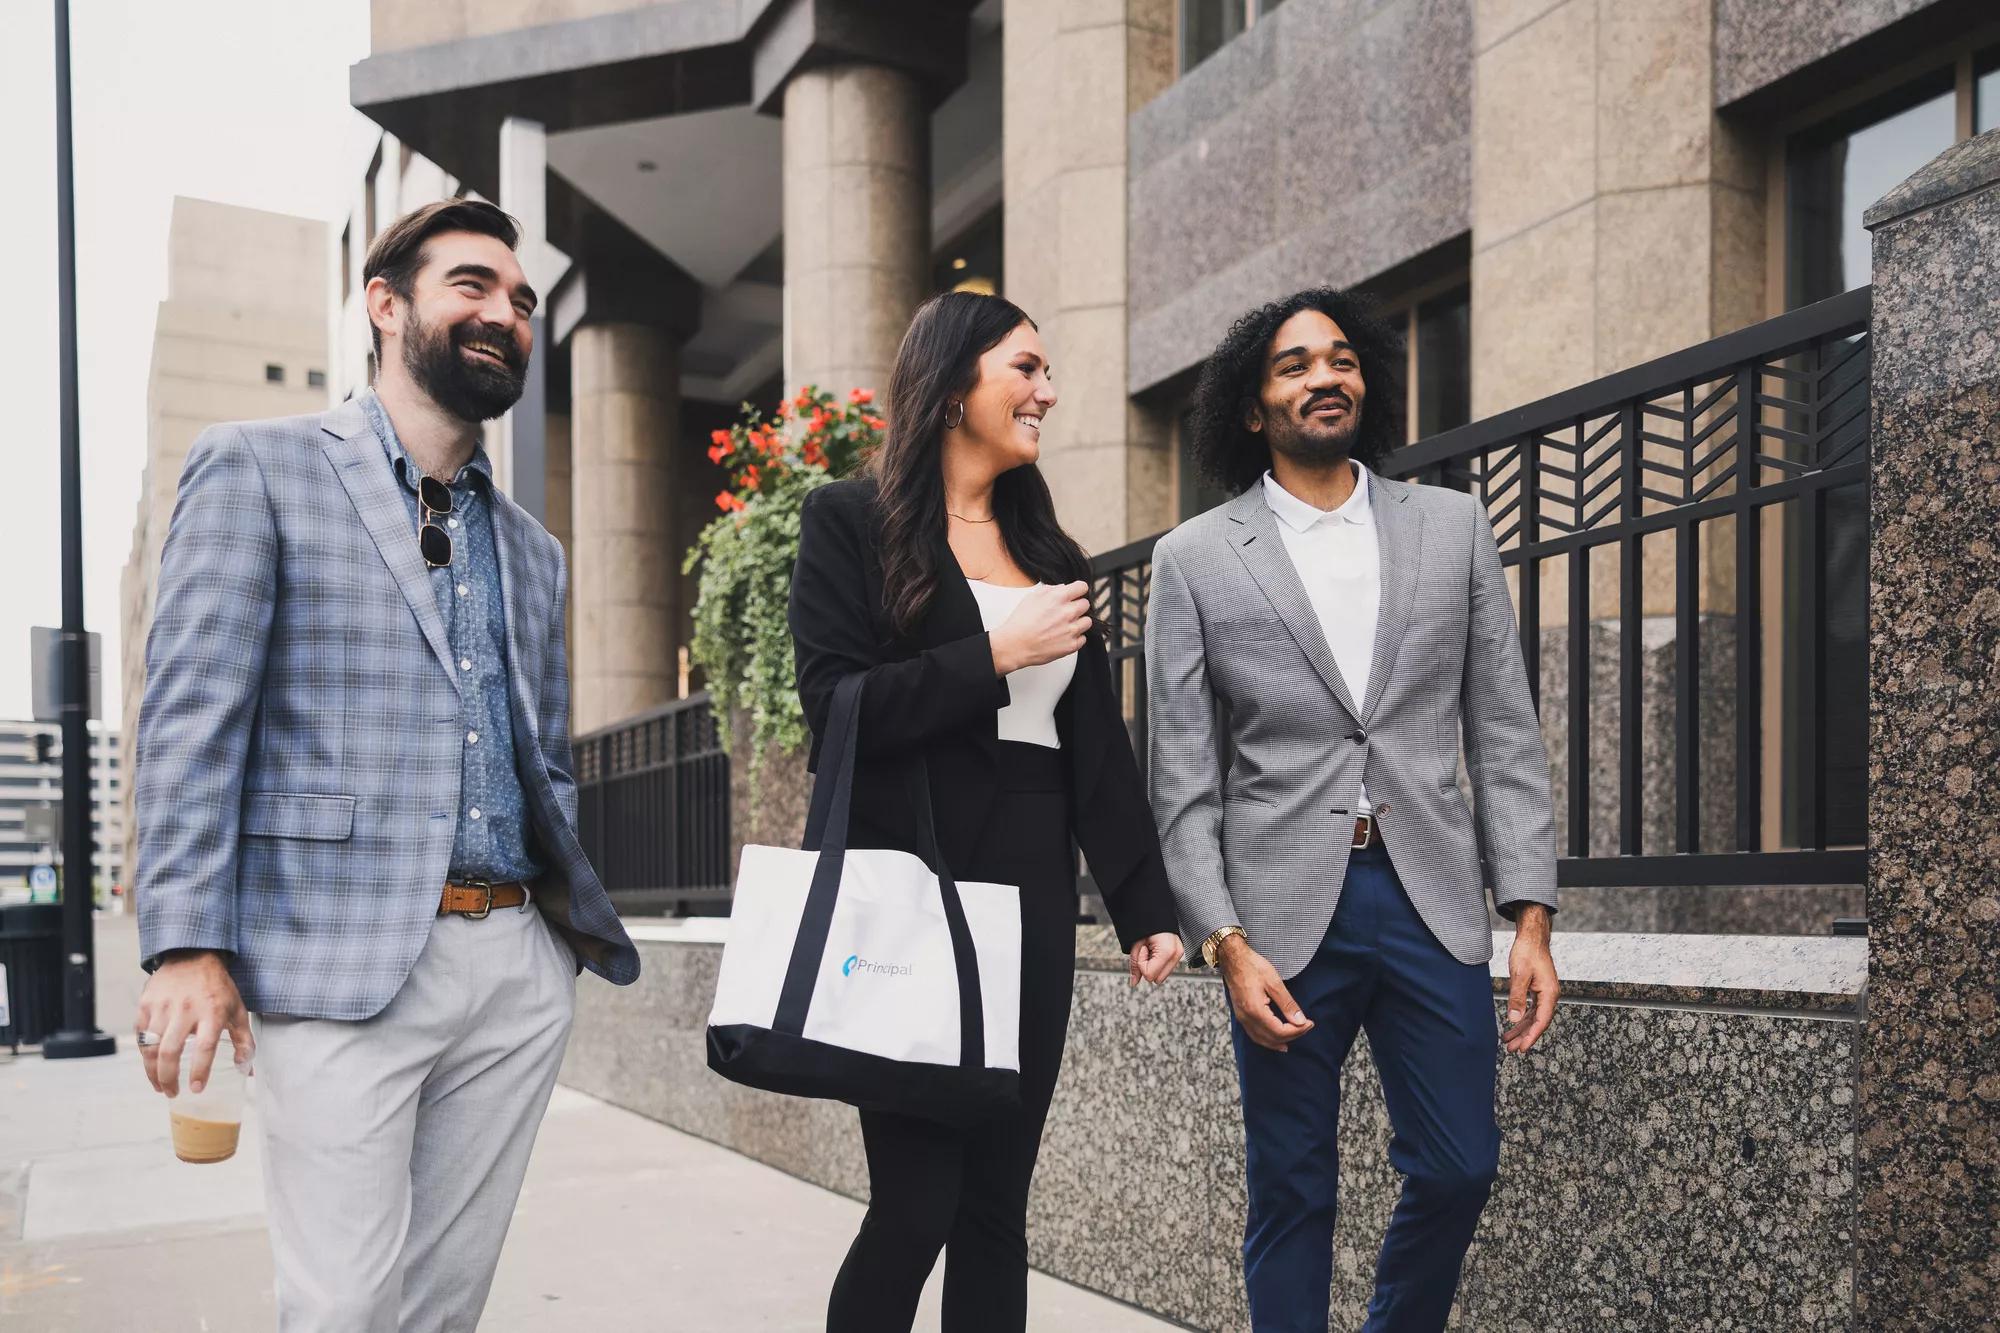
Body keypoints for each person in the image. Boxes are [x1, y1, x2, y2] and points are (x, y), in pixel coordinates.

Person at [132, 198, 639, 1331]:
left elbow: (542, 756)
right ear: (385, 303)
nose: (501, 314)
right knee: (344, 1306)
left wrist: (549, 953)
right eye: (470, 285)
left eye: (518, 301)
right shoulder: (255, 469)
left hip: (510, 963)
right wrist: (187, 944)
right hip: (336, 962)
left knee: (440, 1309)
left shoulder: (535, 550)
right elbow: (190, 721)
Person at [1145, 287, 1561, 1331]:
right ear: (1252, 407)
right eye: (1290, 366)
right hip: (1280, 921)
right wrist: (1223, 944)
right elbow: (1182, 777)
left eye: (1338, 359)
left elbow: (1502, 729)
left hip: (1428, 899)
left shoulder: (1452, 527)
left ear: (1362, 381)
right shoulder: (1192, 559)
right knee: (1291, 1186)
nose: (1320, 377)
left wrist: (1531, 917)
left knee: (1461, 1164)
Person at [788, 290, 1185, 1332]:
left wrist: (1144, 903)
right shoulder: (848, 524)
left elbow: (1093, 747)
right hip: (915, 889)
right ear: (954, 382)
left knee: (995, 1207)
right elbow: (833, 711)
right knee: (915, 1201)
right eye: (1025, 368)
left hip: (1033, 888)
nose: (1047, 392)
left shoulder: (1049, 551)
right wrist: (993, 656)